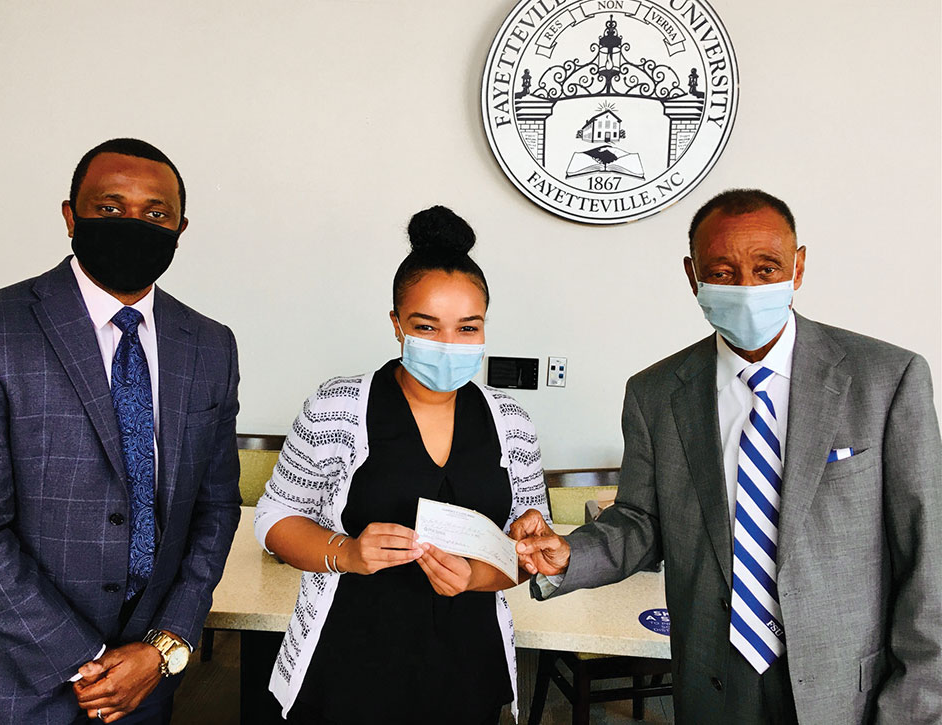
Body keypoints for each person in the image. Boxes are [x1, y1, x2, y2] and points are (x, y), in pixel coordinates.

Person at [512, 189, 942, 724]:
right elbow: (641, 520)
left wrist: (916, 708)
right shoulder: (656, 393)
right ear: (693, 276)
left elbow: (929, 559)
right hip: (713, 679)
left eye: (767, 268)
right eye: (723, 272)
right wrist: (570, 555)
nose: (747, 287)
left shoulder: (886, 379)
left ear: (799, 267)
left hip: (848, 686)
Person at [0, 138, 242, 724]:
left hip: (145, 685)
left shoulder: (209, 344)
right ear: (70, 215)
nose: (135, 224)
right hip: (9, 686)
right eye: (110, 208)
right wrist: (93, 663)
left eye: (156, 214)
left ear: (181, 228)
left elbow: (215, 509)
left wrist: (161, 650)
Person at [254, 206, 550, 724]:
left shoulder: (512, 422)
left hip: (466, 666)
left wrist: (494, 562)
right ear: (396, 324)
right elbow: (274, 517)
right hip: (349, 661)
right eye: (425, 326)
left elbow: (522, 553)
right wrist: (345, 551)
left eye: (467, 328)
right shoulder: (337, 407)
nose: (447, 345)